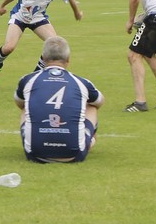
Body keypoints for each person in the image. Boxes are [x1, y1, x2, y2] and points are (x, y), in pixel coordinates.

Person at [0, 0, 83, 86]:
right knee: (9, 48)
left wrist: (77, 13)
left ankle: (34, 76)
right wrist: (2, 6)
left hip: (38, 19)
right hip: (19, 18)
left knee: (54, 45)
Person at [15, 35, 103, 163]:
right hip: (74, 155)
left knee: (25, 107)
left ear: (43, 58)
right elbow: (99, 101)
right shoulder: (82, 82)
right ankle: (89, 140)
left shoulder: (28, 80)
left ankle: (37, 140)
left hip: (35, 154)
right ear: (68, 59)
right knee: (92, 106)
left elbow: (19, 102)